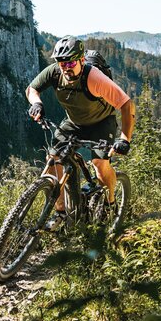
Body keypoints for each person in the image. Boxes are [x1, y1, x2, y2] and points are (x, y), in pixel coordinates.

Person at [25, 36, 135, 231]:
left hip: (102, 123)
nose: (65, 67)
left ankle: (110, 203)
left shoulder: (94, 78)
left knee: (100, 163)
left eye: (70, 62)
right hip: (74, 122)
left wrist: (125, 139)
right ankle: (60, 214)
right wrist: (36, 103)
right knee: (53, 160)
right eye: (61, 62)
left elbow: (126, 104)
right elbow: (32, 89)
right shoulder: (54, 72)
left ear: (81, 60)